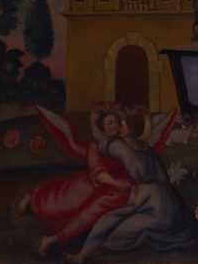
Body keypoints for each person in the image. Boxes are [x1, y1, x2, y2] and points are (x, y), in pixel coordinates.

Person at [75, 109, 198, 260]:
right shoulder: (144, 146)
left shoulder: (122, 147)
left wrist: (93, 122)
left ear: (129, 130)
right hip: (165, 200)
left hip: (152, 201)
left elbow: (103, 143)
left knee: (117, 224)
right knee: (116, 221)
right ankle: (88, 252)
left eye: (122, 124)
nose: (119, 126)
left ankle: (89, 252)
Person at [19, 105, 132, 255]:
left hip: (114, 189)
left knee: (91, 213)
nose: (113, 126)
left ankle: (53, 239)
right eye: (109, 123)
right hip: (95, 184)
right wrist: (115, 183)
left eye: (115, 123)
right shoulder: (96, 146)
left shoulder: (123, 143)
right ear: (103, 127)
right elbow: (97, 169)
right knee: (61, 201)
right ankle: (32, 199)